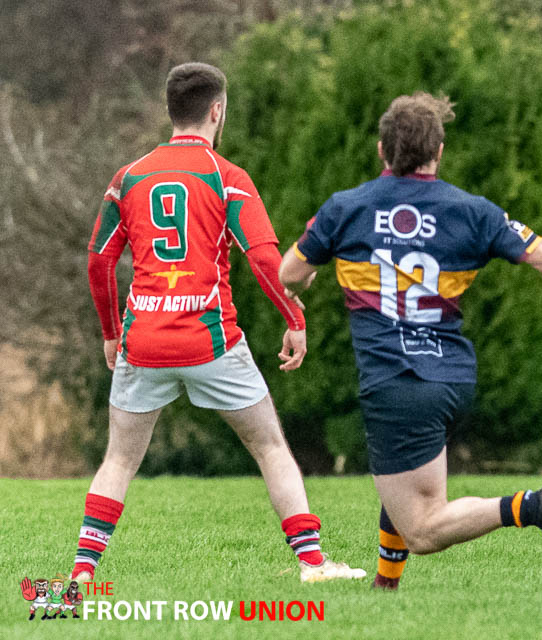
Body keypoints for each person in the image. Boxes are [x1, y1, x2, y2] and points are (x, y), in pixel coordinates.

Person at [278, 91, 542, 589]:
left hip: (397, 379)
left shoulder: (346, 208)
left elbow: (288, 271)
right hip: (452, 377)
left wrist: (304, 280)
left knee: (423, 528)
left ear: (381, 150)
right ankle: (386, 585)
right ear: (438, 152)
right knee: (405, 480)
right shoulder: (471, 211)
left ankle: (532, 506)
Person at [81, 62, 365, 583]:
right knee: (270, 448)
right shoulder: (227, 177)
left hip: (143, 341)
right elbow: (263, 258)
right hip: (211, 342)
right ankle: (312, 563)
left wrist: (110, 333)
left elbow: (99, 262)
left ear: (171, 110)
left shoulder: (128, 178)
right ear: (217, 111)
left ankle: (81, 575)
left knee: (118, 461)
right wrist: (293, 317)